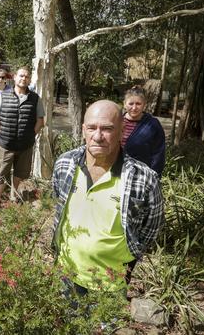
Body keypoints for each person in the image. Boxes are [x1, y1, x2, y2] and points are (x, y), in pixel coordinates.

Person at [51, 100, 164, 294]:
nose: (98, 136)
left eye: (107, 129)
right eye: (92, 128)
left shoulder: (143, 179)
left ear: (122, 131)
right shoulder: (65, 164)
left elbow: (152, 227)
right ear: (83, 129)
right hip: (65, 274)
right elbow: (58, 205)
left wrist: (130, 256)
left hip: (110, 286)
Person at [0, 66, 45, 212]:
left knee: (20, 173)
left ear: (30, 79)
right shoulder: (3, 95)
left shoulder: (35, 98)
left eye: (27, 76)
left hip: (25, 145)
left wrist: (30, 134)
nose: (24, 78)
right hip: (6, 144)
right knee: (2, 173)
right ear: (15, 77)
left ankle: (13, 196)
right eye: (21, 75)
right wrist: (1, 133)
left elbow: (41, 120)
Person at [122, 85, 166, 176]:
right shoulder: (116, 121)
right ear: (124, 104)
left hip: (141, 175)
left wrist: (154, 175)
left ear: (144, 105)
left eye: (138, 104)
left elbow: (159, 154)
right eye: (131, 104)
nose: (134, 108)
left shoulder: (152, 124)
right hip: (116, 172)